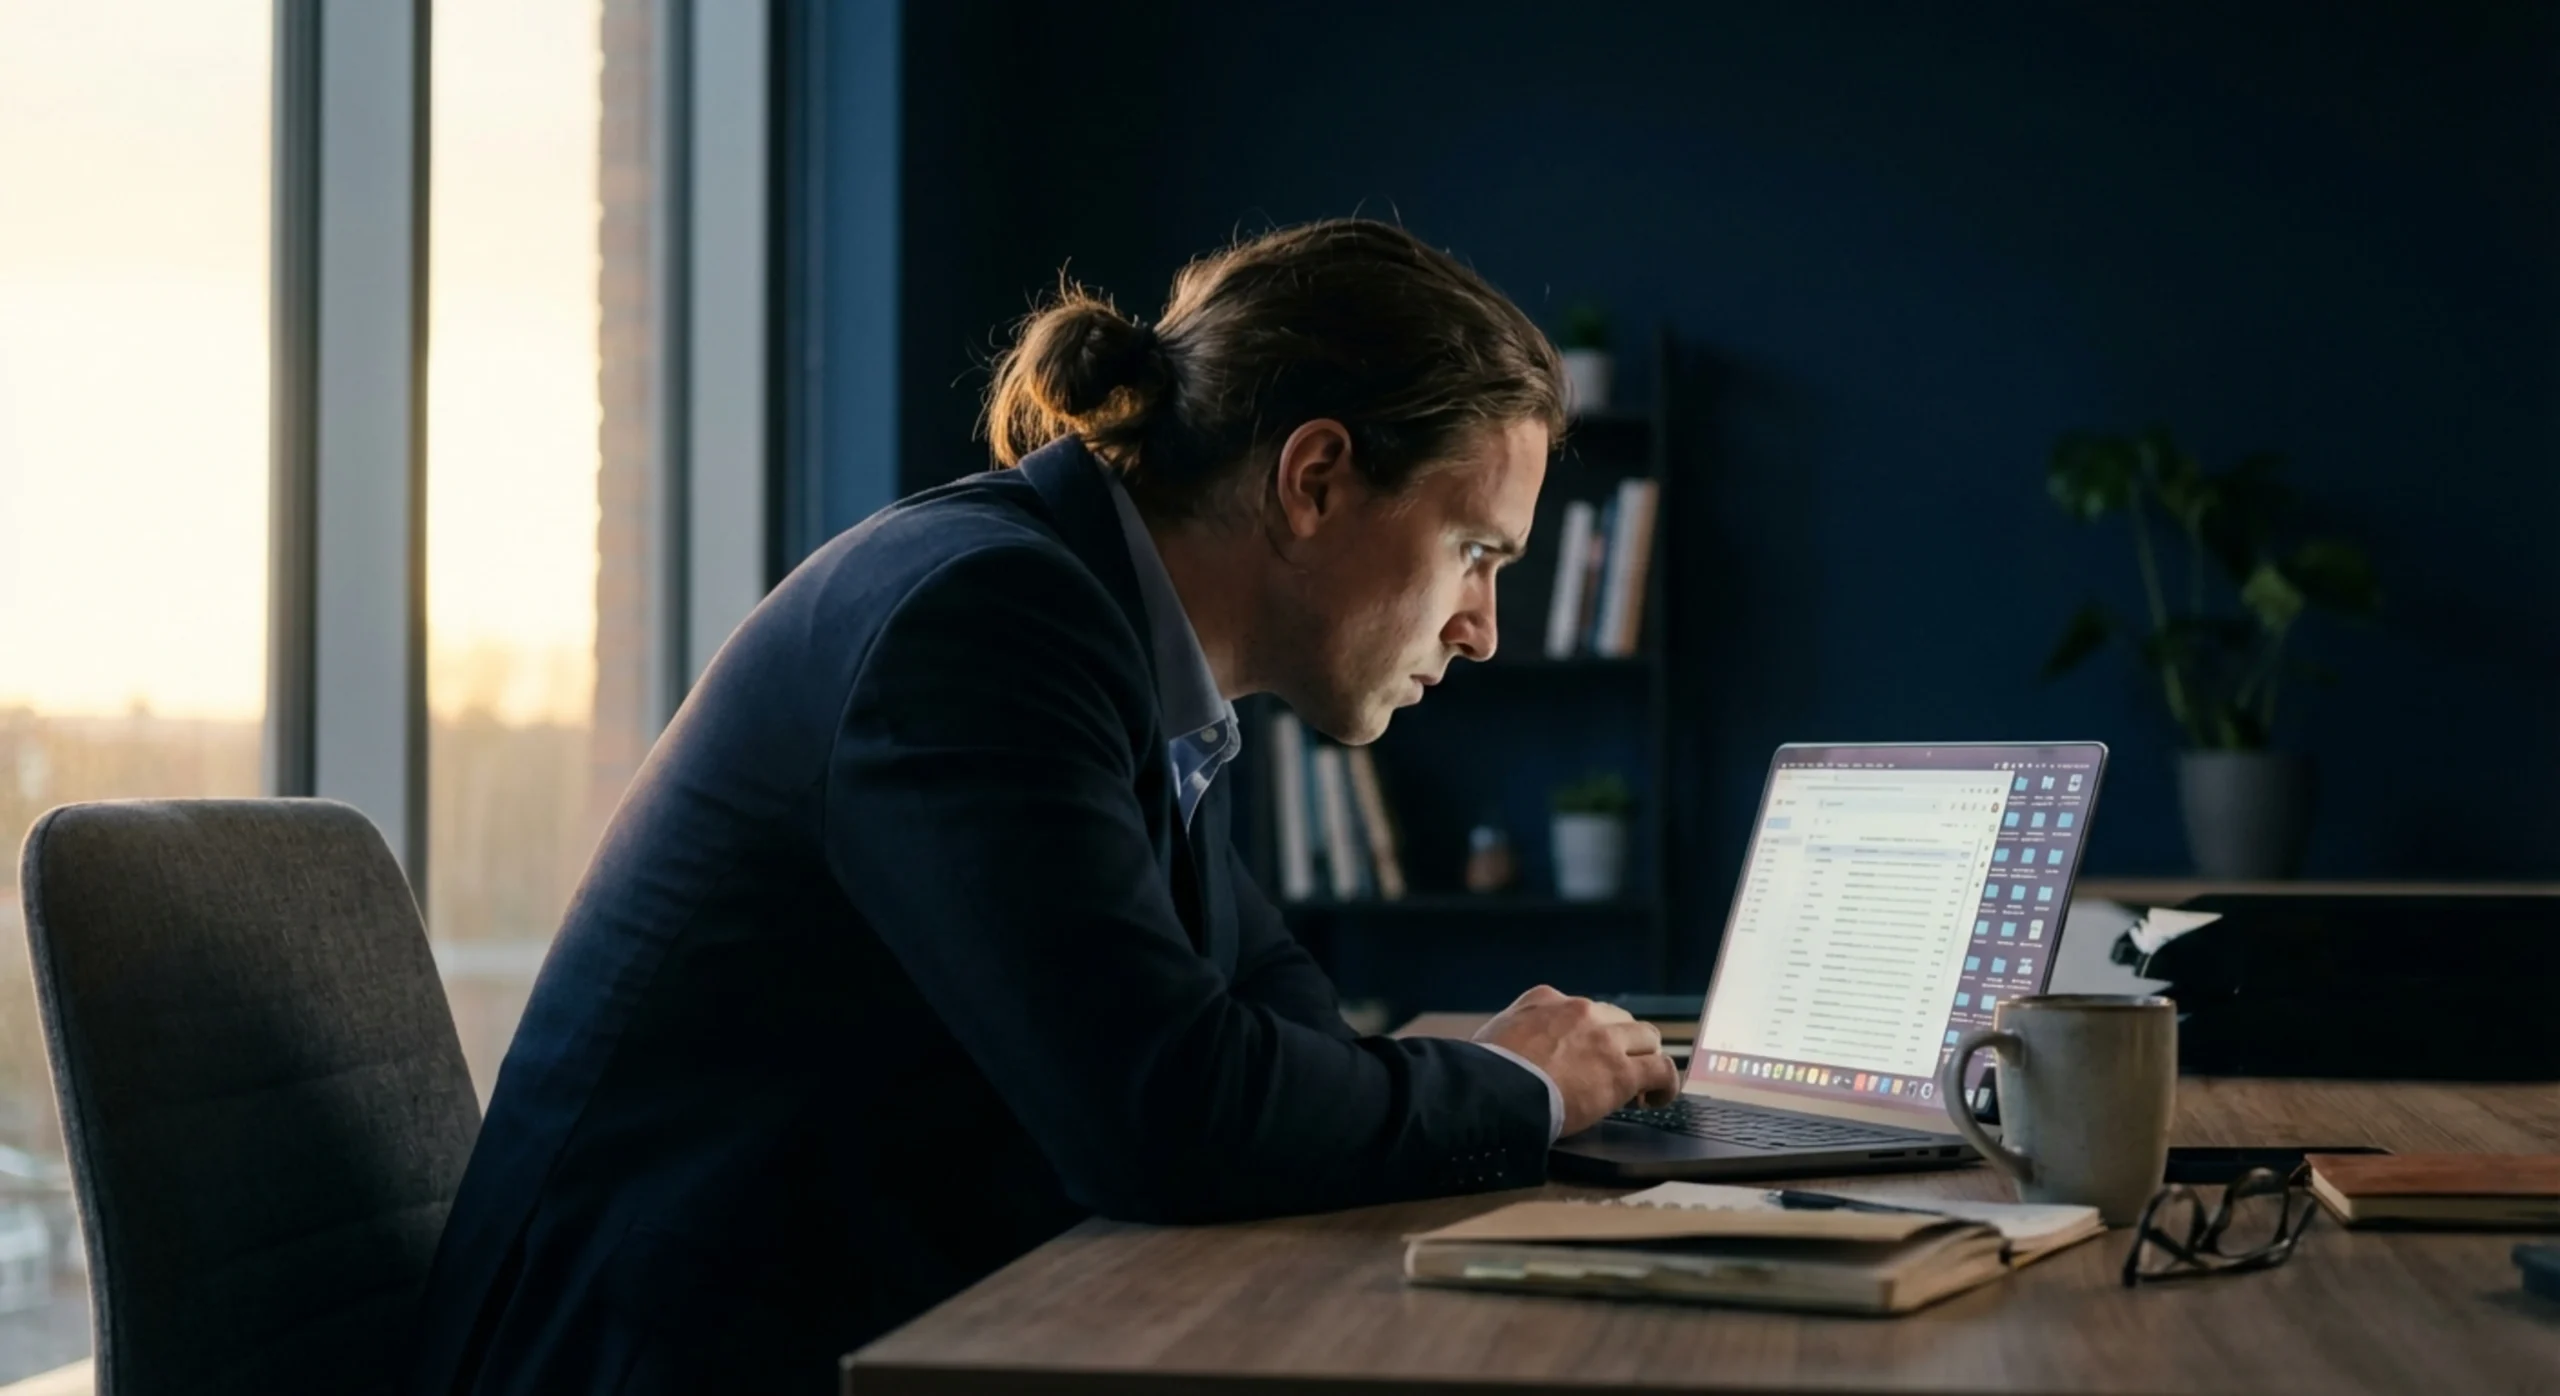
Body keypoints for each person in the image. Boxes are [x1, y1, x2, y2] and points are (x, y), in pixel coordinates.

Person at [405, 218, 1681, 1395]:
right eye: (1475, 551)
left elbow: (1266, 1020)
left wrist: (1475, 1083)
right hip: (647, 1361)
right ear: (1316, 478)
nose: (1483, 629)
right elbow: (1171, 1115)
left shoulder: (1121, 640)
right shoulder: (987, 628)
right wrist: (1510, 1088)